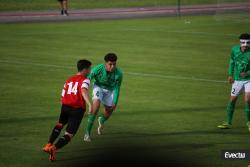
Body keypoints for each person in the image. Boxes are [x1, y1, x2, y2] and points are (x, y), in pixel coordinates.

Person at [42, 59, 92, 161]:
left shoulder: (69, 79)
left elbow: (63, 94)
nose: (90, 71)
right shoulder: (85, 80)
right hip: (77, 110)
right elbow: (83, 90)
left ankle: (48, 144)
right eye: (90, 69)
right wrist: (90, 104)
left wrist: (65, 104)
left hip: (65, 106)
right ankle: (54, 148)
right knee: (69, 134)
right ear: (85, 69)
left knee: (60, 124)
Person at [84, 53, 123, 142]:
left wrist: (115, 101)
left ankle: (102, 119)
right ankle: (87, 133)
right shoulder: (98, 68)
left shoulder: (119, 74)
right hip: (98, 87)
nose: (112, 66)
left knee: (110, 109)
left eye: (114, 64)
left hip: (110, 90)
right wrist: (85, 85)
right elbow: (89, 77)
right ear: (105, 63)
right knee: (95, 108)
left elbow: (117, 88)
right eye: (110, 64)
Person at [218, 33, 250, 131]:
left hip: (249, 79)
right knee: (232, 100)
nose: (245, 45)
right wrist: (230, 75)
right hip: (237, 80)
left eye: (248, 43)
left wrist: (248, 73)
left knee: (248, 100)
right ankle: (228, 122)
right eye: (243, 43)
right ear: (240, 42)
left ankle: (249, 122)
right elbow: (232, 62)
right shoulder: (234, 50)